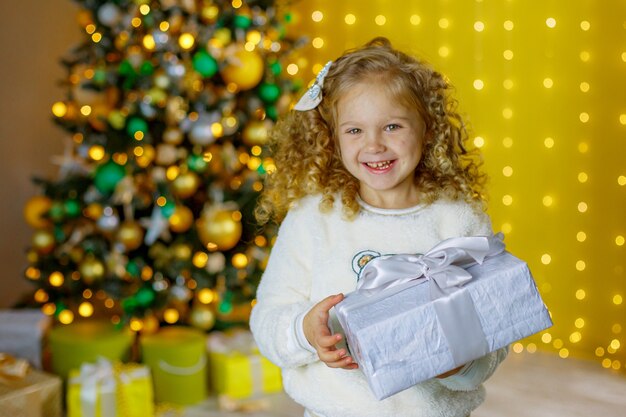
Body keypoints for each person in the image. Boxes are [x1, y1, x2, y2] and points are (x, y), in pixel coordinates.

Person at [249, 37, 508, 417]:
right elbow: (268, 317)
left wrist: (460, 364)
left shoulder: (458, 220)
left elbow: (495, 329)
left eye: (391, 126)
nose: (374, 145)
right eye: (354, 130)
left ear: (427, 129)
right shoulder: (312, 219)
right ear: (333, 138)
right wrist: (305, 331)